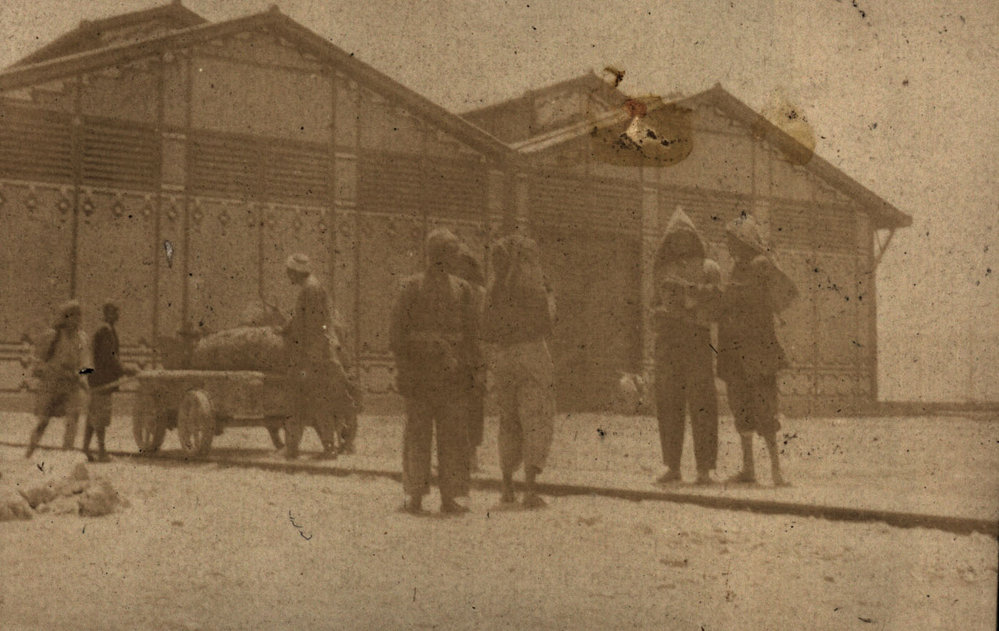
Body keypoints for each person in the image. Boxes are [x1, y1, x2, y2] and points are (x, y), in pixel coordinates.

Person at [390, 229, 479, 515]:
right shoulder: (410, 288)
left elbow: (471, 336)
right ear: (436, 255)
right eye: (449, 253)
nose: (453, 258)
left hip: (452, 376)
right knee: (417, 435)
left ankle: (451, 497)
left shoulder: (463, 290)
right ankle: (414, 495)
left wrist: (469, 368)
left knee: (453, 437)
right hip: (420, 374)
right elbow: (397, 336)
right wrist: (408, 366)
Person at [717, 213, 799, 487]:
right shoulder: (736, 269)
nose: (729, 247)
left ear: (744, 241)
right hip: (735, 349)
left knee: (765, 411)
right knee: (741, 410)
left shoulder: (760, 264)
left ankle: (777, 471)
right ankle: (749, 468)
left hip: (758, 352)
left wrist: (728, 296)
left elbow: (751, 295)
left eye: (733, 241)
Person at [483, 234, 556, 509]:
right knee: (535, 417)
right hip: (531, 355)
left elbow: (486, 328)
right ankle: (530, 490)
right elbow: (548, 323)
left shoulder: (495, 290)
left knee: (508, 420)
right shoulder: (533, 288)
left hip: (502, 356)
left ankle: (506, 487)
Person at [652, 207, 722, 485]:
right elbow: (652, 306)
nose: (681, 242)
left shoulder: (709, 268)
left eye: (686, 236)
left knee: (702, 402)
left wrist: (692, 297)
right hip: (668, 340)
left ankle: (705, 469)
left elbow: (717, 306)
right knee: (669, 402)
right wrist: (659, 312)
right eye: (676, 237)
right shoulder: (662, 270)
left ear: (694, 238)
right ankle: (672, 466)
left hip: (696, 340)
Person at [280, 253, 356, 460]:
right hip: (318, 354)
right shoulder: (312, 287)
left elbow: (310, 325)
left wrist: (290, 334)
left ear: (296, 272)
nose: (288, 276)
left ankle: (299, 448)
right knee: (316, 402)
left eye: (289, 272)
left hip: (312, 357)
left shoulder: (309, 290)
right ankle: (326, 446)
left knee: (300, 401)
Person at [26, 300, 92, 458]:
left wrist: (80, 374)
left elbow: (87, 365)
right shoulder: (53, 337)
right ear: (65, 318)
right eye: (73, 316)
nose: (77, 320)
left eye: (79, 317)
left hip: (71, 386)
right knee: (43, 421)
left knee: (73, 419)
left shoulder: (82, 339)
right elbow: (37, 359)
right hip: (52, 385)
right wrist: (47, 370)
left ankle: (66, 453)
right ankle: (29, 451)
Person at [446, 241, 487, 471]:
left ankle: (470, 456)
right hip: (464, 356)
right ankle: (463, 457)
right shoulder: (460, 292)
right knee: (462, 407)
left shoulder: (475, 294)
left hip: (470, 356)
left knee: (470, 407)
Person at [84, 302, 137, 462]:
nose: (117, 315)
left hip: (95, 378)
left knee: (93, 415)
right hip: (102, 379)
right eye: (114, 312)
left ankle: (86, 447)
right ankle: (101, 452)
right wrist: (126, 369)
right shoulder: (105, 330)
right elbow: (109, 357)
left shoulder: (104, 329)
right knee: (100, 417)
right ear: (107, 313)